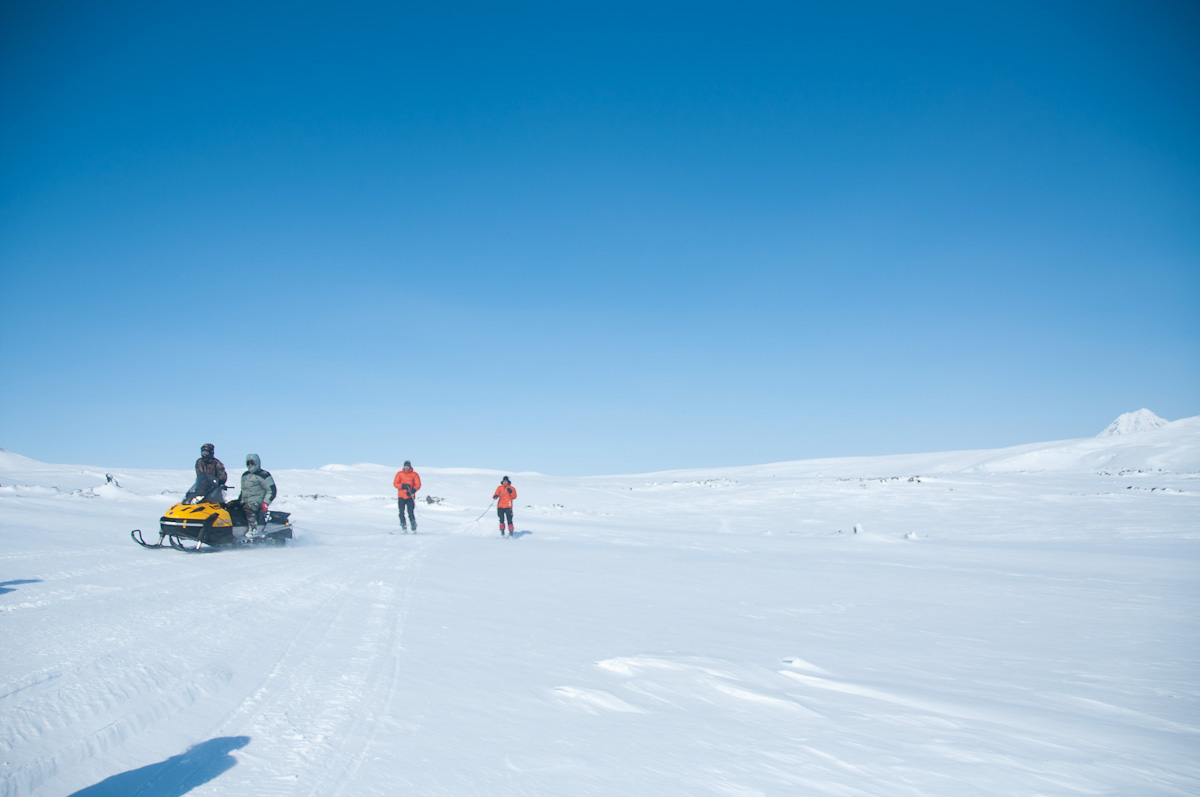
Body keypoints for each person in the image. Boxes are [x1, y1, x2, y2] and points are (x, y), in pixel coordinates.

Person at [238, 453, 277, 536]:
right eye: (248, 463)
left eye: (251, 463)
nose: (250, 465)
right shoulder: (245, 475)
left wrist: (265, 503)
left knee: (249, 508)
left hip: (257, 501)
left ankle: (252, 529)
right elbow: (244, 490)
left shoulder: (264, 475)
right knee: (230, 507)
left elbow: (272, 490)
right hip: (245, 500)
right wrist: (238, 501)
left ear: (256, 462)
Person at [393, 460, 421, 533]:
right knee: (401, 512)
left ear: (410, 466)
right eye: (405, 466)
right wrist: (403, 486)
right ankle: (403, 526)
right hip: (401, 496)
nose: (406, 467)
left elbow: (418, 484)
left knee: (410, 512)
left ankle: (413, 527)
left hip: (410, 497)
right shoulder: (399, 474)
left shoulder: (414, 474)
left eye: (408, 466)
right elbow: (395, 483)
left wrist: (412, 490)